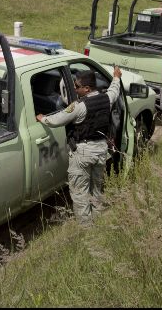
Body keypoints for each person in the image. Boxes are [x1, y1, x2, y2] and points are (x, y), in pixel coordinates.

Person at [36, 66, 123, 226]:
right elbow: (114, 89)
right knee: (96, 189)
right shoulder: (107, 98)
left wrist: (43, 119)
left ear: (87, 88)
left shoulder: (79, 106)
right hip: (101, 151)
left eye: (77, 86)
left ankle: (86, 229)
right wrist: (116, 76)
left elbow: (58, 119)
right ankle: (98, 222)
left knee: (79, 193)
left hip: (83, 153)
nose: (74, 89)